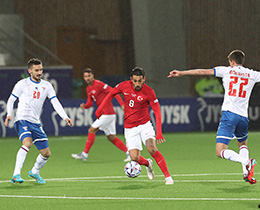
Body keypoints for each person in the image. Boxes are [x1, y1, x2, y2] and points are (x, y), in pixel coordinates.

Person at [168, 49, 257, 184]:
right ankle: (246, 173)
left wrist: (181, 73)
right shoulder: (252, 74)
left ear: (232, 61)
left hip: (229, 115)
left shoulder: (226, 70)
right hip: (243, 117)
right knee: (242, 144)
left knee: (220, 151)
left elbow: (202, 72)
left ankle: (245, 161)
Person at [96, 67, 174, 185]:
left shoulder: (149, 92)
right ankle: (148, 164)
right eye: (135, 81)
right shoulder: (124, 86)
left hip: (144, 125)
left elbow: (157, 111)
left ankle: (168, 177)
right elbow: (111, 94)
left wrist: (159, 132)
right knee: (134, 157)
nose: (137, 84)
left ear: (144, 79)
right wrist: (100, 108)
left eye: (140, 81)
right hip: (130, 128)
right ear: (131, 79)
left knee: (151, 148)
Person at [5, 58, 73, 184]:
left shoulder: (46, 86)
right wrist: (9, 114)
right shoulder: (22, 84)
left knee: (46, 153)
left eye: (41, 69)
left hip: (35, 122)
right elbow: (10, 100)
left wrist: (65, 116)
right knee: (27, 143)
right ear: (29, 71)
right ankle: (16, 174)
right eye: (36, 70)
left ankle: (34, 172)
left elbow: (55, 101)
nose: (39, 72)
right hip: (22, 119)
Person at [71, 68, 130, 162]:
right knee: (111, 137)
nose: (87, 78)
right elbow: (90, 103)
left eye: (89, 76)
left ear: (93, 76)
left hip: (108, 113)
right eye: (85, 76)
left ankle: (84, 154)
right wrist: (85, 106)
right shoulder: (88, 89)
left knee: (91, 130)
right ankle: (129, 153)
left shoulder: (99, 84)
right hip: (106, 115)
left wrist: (122, 104)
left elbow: (114, 92)